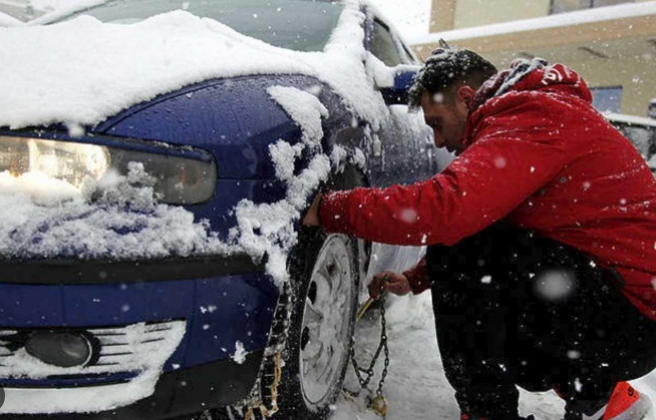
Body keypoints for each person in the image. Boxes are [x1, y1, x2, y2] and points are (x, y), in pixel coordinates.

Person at [303, 44, 656, 420]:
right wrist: (414, 278)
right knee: (468, 237)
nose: (438, 141)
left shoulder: (533, 115)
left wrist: (329, 208)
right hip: (620, 310)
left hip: (626, 318)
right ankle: (605, 398)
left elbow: (445, 212)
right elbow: (492, 223)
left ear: (466, 98)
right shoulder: (539, 112)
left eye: (437, 123)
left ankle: (493, 411)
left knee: (459, 237)